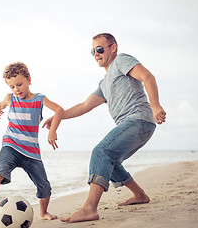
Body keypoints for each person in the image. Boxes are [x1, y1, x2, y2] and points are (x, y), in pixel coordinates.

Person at [42, 33, 166, 223]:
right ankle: (140, 195)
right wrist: (59, 115)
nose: (96, 54)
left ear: (113, 47)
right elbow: (84, 106)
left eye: (100, 49)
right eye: (93, 51)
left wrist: (155, 105)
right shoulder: (104, 83)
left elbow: (147, 76)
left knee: (101, 152)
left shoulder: (122, 61)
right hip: (139, 125)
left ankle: (89, 208)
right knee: (111, 161)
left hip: (138, 120)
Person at [0, 62, 64, 220]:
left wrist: (52, 130)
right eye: (12, 86)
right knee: (1, 169)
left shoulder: (39, 99)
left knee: (45, 187)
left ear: (29, 80)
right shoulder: (10, 98)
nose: (16, 89)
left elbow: (59, 110)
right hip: (11, 145)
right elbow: (1, 104)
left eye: (19, 84)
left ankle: (44, 212)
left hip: (32, 152)